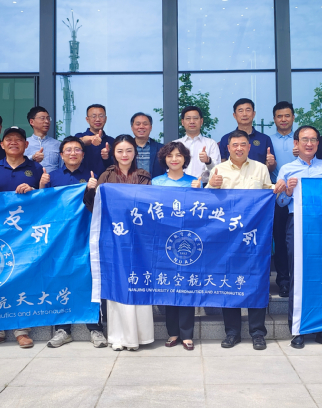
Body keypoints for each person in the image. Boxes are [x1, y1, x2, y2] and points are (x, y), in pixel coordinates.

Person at [0, 126, 46, 350]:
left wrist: (34, 189)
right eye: (9, 139)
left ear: (26, 144)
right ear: (2, 144)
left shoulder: (35, 168)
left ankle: (22, 330)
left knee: (23, 278)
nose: (14, 142)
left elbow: (45, 200)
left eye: (18, 139)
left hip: (26, 234)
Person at [207, 130, 278, 351]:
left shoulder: (261, 168)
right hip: (227, 239)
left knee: (256, 282)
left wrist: (278, 189)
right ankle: (232, 333)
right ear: (228, 148)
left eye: (243, 144)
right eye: (235, 145)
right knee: (228, 283)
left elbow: (268, 194)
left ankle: (258, 333)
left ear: (249, 146)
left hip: (255, 237)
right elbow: (207, 202)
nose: (239, 148)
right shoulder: (218, 170)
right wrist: (212, 186)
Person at [84, 134, 153, 351]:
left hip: (138, 239)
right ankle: (118, 337)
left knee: (137, 282)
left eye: (129, 150)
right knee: (117, 283)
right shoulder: (106, 176)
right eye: (120, 151)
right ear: (114, 153)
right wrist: (91, 189)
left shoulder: (143, 176)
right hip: (113, 238)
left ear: (135, 153)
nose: (125, 155)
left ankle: (139, 336)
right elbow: (93, 207)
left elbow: (149, 206)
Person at [275, 126, 322, 350]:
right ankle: (298, 330)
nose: (309, 143)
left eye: (313, 140)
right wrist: (288, 192)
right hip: (298, 223)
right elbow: (280, 203)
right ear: (296, 143)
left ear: (318, 144)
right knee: (298, 275)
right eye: (305, 139)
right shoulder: (287, 169)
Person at [45, 136, 109, 349]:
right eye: (68, 150)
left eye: (77, 150)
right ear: (61, 155)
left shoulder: (93, 175)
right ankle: (63, 329)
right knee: (60, 278)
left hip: (86, 235)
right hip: (60, 238)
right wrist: (41, 186)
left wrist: (93, 189)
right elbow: (44, 206)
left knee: (90, 278)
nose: (73, 153)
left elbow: (100, 205)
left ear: (83, 154)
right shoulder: (52, 177)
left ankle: (95, 328)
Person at [152, 142, 198, 351]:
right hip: (164, 241)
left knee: (186, 285)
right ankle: (173, 332)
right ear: (164, 159)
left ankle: (187, 334)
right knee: (168, 285)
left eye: (179, 155)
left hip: (188, 240)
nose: (174, 159)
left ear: (185, 159)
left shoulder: (194, 182)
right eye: (170, 155)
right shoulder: (156, 182)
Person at [270, 102, 296, 297]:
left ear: (293, 117)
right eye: (279, 116)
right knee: (279, 239)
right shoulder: (268, 140)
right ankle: (283, 281)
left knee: (297, 240)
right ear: (274, 119)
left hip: (300, 197)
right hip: (277, 195)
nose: (284, 119)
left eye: (287, 115)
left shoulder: (302, 139)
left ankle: (298, 279)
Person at [219, 98, 276, 173]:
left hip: (258, 179)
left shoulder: (265, 139)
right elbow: (222, 164)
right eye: (240, 111)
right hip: (233, 179)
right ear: (234, 115)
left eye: (248, 110)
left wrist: (271, 163)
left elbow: (270, 168)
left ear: (253, 114)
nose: (244, 114)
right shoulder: (226, 139)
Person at [174, 106, 220, 184]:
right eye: (188, 118)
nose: (192, 122)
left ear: (201, 121)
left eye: (195, 118)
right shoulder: (175, 144)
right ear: (182, 122)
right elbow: (169, 169)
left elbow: (217, 171)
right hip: (180, 186)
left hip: (204, 187)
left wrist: (208, 161)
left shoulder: (211, 144)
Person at [75, 104, 115, 176]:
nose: (97, 119)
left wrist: (106, 157)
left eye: (101, 116)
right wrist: (91, 138)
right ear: (87, 119)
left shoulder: (112, 141)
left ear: (105, 119)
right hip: (83, 180)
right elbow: (78, 142)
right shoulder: (79, 136)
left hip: (105, 180)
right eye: (94, 116)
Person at [24, 106, 63, 174]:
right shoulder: (24, 144)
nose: (47, 121)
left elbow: (62, 168)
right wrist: (32, 158)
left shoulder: (58, 144)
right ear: (32, 122)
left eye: (48, 118)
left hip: (52, 180)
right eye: (42, 118)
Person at [129, 112, 165, 178]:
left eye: (145, 124)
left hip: (154, 184)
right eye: (138, 124)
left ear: (150, 127)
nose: (141, 127)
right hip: (131, 184)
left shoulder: (161, 148)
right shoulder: (126, 148)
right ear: (132, 127)